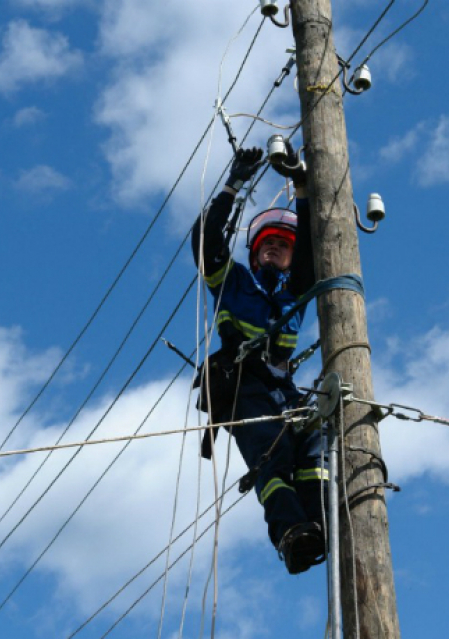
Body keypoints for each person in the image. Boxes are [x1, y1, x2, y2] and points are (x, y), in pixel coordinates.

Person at [191, 144, 328, 575]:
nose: (273, 250)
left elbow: (310, 250)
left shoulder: (292, 295)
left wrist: (302, 187)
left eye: (281, 247)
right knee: (273, 456)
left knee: (315, 452)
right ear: (254, 254)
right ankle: (291, 534)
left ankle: (323, 525)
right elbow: (206, 240)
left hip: (284, 389)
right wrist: (234, 183)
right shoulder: (232, 283)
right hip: (243, 388)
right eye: (266, 245)